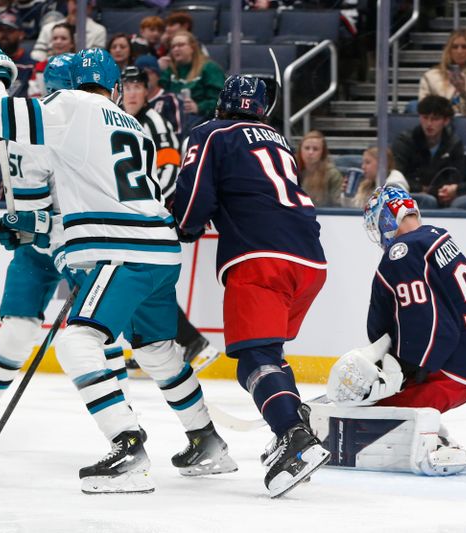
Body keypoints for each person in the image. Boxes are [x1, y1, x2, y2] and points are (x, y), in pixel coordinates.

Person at [0, 47, 236, 494]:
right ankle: (207, 441)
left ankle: (127, 445)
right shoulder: (133, 123)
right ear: (114, 86)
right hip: (161, 248)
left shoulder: (70, 106)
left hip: (120, 250)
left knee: (78, 341)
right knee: (157, 350)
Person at [173, 75, 331, 498]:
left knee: (254, 359)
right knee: (271, 354)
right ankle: (294, 430)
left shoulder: (211, 132)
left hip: (260, 258)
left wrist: (181, 225)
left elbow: (192, 201)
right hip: (311, 261)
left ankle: (293, 435)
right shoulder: (278, 139)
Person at [328, 185, 466, 474]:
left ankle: (432, 439)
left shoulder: (402, 252)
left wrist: (411, 367)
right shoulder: (437, 236)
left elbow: (422, 317)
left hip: (446, 374)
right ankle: (431, 431)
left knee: (363, 413)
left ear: (388, 217)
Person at [118, 65, 220, 373]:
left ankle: (185, 341)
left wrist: (149, 204)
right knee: (141, 283)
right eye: (127, 87)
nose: (132, 93)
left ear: (147, 91)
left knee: (139, 281)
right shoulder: (123, 120)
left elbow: (169, 166)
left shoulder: (154, 121)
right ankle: (163, 342)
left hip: (150, 214)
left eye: (137, 87)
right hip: (137, 213)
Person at [392, 95, 466, 209]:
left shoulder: (454, 143)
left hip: (442, 198)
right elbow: (397, 174)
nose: (429, 124)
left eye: (435, 119)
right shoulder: (405, 141)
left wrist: (443, 190)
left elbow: (456, 175)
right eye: (425, 117)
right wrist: (420, 189)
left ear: (446, 121)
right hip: (409, 196)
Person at [160, 31, 225, 131]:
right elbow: (158, 93)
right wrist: (158, 70)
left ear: (192, 48)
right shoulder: (170, 70)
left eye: (180, 45)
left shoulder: (209, 68)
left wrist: (199, 107)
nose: (176, 49)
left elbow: (222, 101)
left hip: (202, 121)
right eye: (173, 46)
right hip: (172, 120)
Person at [418, 30, 466, 115]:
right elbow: (423, 107)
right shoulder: (431, 76)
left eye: (464, 47)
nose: (459, 51)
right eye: (455, 47)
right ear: (448, 50)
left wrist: (463, 91)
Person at [31, 0, 106, 62]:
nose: (78, 7)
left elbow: (96, 59)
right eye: (75, 2)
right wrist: (54, 63)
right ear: (68, 3)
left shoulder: (99, 31)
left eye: (86, 5)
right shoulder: (48, 28)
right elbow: (36, 54)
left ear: (90, 8)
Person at [343, 146, 409, 209]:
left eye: (367, 162)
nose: (363, 167)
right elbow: (354, 208)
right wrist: (347, 196)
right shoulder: (367, 183)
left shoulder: (396, 183)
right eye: (363, 163)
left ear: (382, 163)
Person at [135, 54, 183, 137]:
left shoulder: (169, 99)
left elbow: (178, 132)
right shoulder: (131, 101)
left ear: (158, 75)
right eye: (141, 75)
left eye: (149, 73)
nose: (145, 78)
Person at [0, 12, 34, 98]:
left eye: (9, 30)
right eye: (1, 30)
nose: (4, 34)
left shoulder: (31, 66)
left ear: (21, 34)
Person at [296, 130, 343, 207]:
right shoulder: (290, 170)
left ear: (322, 153)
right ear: (300, 150)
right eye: (307, 148)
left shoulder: (332, 174)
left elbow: (339, 204)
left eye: (315, 149)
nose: (310, 152)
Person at [28, 21, 74, 97]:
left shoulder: (79, 65)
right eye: (55, 38)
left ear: (72, 43)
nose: (58, 42)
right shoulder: (40, 66)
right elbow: (33, 94)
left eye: (63, 38)